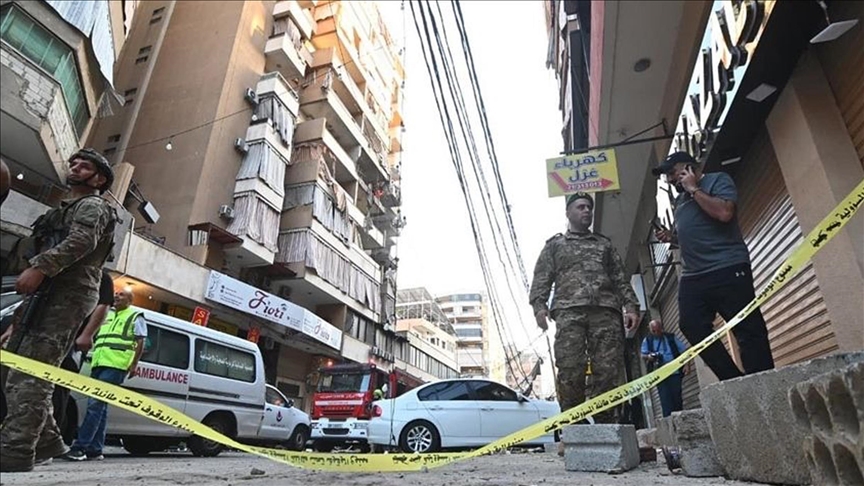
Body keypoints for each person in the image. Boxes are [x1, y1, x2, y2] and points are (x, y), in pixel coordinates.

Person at [0, 148, 116, 473]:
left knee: (32, 373)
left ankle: (16, 450)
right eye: (73, 163)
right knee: (13, 369)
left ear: (99, 179)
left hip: (67, 295)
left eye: (85, 166)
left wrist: (39, 267)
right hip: (46, 294)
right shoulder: (64, 210)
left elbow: (81, 241)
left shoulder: (94, 206)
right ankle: (48, 441)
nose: (75, 168)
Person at [653, 152, 775, 381]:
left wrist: (694, 189)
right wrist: (672, 237)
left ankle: (763, 381)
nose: (669, 179)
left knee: (747, 328)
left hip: (727, 266)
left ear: (689, 167)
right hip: (694, 274)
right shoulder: (680, 200)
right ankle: (733, 380)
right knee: (690, 324)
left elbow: (724, 213)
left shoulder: (717, 180)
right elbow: (693, 235)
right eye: (666, 175)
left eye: (672, 172)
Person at [529, 192, 641, 429]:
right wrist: (539, 307)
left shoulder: (604, 245)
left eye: (589, 207)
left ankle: (606, 424)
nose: (587, 211)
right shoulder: (555, 246)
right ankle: (574, 425)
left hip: (606, 312)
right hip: (569, 312)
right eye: (580, 207)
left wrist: (631, 306)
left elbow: (620, 278)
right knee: (570, 368)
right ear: (568, 212)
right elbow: (542, 278)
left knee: (608, 369)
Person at [63, 287, 146, 462]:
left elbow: (140, 341)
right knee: (100, 407)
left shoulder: (135, 316)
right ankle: (95, 449)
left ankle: (80, 447)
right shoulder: (108, 315)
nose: (117, 296)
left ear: (130, 300)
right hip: (99, 363)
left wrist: (134, 365)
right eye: (116, 293)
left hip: (116, 366)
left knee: (95, 405)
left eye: (122, 294)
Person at [50, 270, 115, 454]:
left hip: (72, 347)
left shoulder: (100, 277)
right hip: (94, 361)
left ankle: (58, 443)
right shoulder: (61, 270)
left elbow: (103, 305)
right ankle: (93, 447)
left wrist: (87, 335)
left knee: (59, 394)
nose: (119, 297)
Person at [641, 319, 691, 417]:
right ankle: (668, 421)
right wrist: (649, 357)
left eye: (658, 330)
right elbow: (643, 355)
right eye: (653, 331)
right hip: (659, 375)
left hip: (675, 372)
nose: (656, 333)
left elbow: (685, 351)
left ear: (662, 328)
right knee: (665, 400)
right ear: (649, 330)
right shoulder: (647, 340)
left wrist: (687, 365)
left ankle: (679, 419)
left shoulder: (671, 337)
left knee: (677, 398)